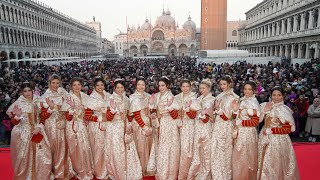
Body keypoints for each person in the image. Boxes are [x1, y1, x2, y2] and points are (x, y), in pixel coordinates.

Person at [7, 82, 51, 180]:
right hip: (23, 133)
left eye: (29, 90)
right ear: (21, 92)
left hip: (37, 130)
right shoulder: (18, 103)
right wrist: (17, 116)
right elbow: (14, 122)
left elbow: (43, 117)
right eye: (25, 91)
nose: (27, 93)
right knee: (24, 157)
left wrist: (39, 127)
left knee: (43, 155)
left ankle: (40, 176)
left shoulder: (39, 101)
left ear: (32, 91)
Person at [258, 87, 300, 180]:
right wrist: (264, 111)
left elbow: (288, 129)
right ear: (271, 96)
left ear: (283, 96)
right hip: (264, 137)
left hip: (278, 141)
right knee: (264, 162)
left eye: (279, 95)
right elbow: (258, 119)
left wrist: (272, 131)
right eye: (274, 95)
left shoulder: (284, 109)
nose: (276, 97)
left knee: (275, 162)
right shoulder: (266, 105)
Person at [105, 78, 142, 180]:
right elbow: (107, 118)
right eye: (118, 87)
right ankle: (118, 173)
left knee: (128, 149)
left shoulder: (126, 98)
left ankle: (128, 171)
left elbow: (129, 116)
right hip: (114, 128)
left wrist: (130, 117)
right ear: (114, 88)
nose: (120, 89)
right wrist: (112, 111)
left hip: (125, 126)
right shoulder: (111, 99)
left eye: (122, 87)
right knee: (117, 151)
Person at [38, 75, 71, 178]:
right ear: (49, 83)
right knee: (51, 148)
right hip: (50, 126)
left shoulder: (63, 94)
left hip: (63, 125)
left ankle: (60, 171)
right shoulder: (45, 97)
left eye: (57, 83)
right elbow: (42, 116)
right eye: (53, 83)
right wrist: (51, 108)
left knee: (62, 148)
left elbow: (68, 109)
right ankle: (51, 170)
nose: (55, 85)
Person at [61, 78, 93, 179]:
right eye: (74, 85)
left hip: (83, 126)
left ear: (82, 86)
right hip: (72, 126)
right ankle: (78, 169)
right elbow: (67, 118)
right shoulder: (69, 98)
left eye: (79, 84)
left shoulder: (85, 96)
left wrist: (87, 118)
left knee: (85, 147)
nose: (77, 87)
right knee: (75, 148)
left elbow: (89, 110)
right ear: (71, 86)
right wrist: (72, 108)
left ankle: (87, 169)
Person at [149, 76, 180, 180]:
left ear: (167, 86)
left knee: (168, 148)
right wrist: (154, 113)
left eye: (163, 85)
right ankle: (161, 170)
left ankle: (168, 173)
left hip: (169, 124)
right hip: (158, 123)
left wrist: (168, 111)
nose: (161, 87)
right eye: (159, 85)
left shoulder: (171, 97)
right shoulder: (156, 96)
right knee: (159, 145)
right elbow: (152, 110)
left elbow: (176, 114)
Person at [211, 76, 239, 179]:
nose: (222, 86)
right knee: (216, 149)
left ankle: (226, 175)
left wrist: (220, 112)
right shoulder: (218, 96)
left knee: (226, 151)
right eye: (221, 84)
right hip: (217, 125)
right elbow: (215, 113)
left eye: (224, 84)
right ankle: (217, 174)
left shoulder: (235, 97)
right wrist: (215, 110)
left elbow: (232, 117)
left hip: (227, 127)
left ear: (229, 84)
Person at [232, 81, 261, 180]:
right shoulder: (242, 100)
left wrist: (242, 123)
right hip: (239, 133)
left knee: (247, 158)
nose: (247, 91)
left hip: (248, 133)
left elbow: (255, 122)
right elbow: (236, 117)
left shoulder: (253, 102)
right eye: (245, 89)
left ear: (253, 91)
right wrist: (235, 111)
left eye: (249, 89)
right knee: (239, 157)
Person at [188, 78, 214, 179]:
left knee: (206, 151)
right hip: (197, 126)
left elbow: (207, 118)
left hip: (206, 128)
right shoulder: (199, 99)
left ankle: (206, 173)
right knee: (197, 151)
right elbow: (193, 114)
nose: (201, 90)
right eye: (200, 88)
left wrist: (204, 116)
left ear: (209, 88)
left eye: (203, 88)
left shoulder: (212, 100)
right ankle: (196, 172)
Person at [175, 79, 201, 179]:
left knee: (187, 149)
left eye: (187, 86)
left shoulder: (194, 97)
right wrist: (178, 117)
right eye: (183, 86)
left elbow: (194, 115)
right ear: (180, 87)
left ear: (190, 87)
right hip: (177, 125)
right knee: (178, 148)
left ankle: (186, 173)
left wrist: (187, 112)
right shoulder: (177, 97)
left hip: (189, 125)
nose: (185, 88)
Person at [85, 78, 111, 179]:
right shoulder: (91, 99)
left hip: (108, 125)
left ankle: (109, 170)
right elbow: (87, 116)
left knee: (108, 148)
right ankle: (100, 171)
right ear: (94, 87)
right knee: (98, 149)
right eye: (98, 85)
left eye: (102, 85)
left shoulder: (109, 96)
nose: (100, 87)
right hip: (96, 126)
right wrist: (99, 118)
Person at [129, 77, 154, 176]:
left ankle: (148, 166)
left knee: (148, 146)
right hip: (140, 125)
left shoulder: (148, 96)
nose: (141, 87)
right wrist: (144, 127)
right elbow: (136, 114)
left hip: (148, 123)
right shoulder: (133, 97)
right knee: (141, 146)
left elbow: (152, 110)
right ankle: (141, 168)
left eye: (143, 85)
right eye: (139, 85)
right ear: (136, 86)